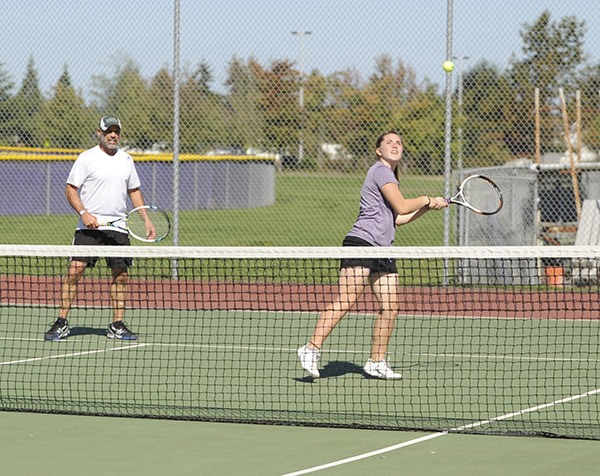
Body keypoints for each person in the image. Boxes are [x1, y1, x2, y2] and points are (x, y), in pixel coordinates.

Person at [297, 131, 447, 379]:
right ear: (379, 150)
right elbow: (401, 205)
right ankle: (310, 349)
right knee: (347, 299)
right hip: (362, 243)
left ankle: (376, 361)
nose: (395, 145)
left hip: (382, 248)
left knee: (391, 307)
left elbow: (398, 218)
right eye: (389, 142)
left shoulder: (392, 176)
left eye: (399, 142)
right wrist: (427, 198)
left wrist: (427, 208)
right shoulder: (380, 171)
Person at [44, 115, 155, 341]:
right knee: (74, 271)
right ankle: (62, 322)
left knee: (121, 276)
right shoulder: (86, 158)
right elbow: (70, 189)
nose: (113, 135)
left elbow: (134, 191)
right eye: (108, 131)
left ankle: (117, 325)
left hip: (119, 228)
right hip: (88, 228)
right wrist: (84, 213)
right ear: (99, 133)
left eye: (116, 131)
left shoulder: (126, 160)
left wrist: (146, 219)